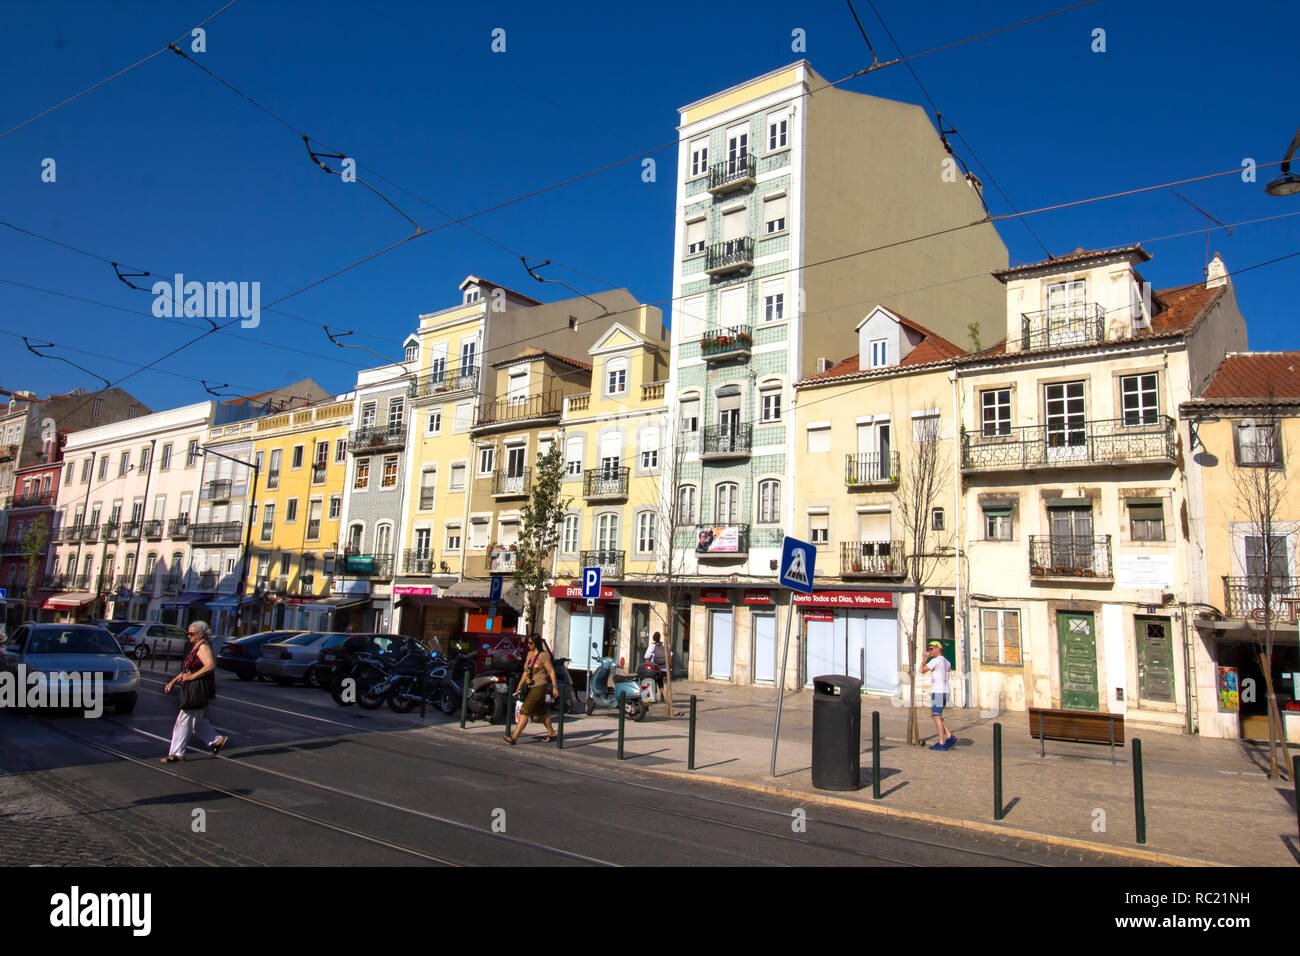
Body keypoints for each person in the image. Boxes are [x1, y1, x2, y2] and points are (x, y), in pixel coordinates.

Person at [161, 620, 228, 762]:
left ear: (200, 634)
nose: (188, 636)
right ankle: (216, 740)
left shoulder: (203, 647)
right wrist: (173, 682)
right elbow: (187, 670)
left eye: (191, 634)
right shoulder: (196, 647)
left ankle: (177, 753)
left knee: (183, 720)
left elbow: (210, 666)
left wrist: (192, 676)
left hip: (197, 689)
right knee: (195, 722)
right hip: (193, 688)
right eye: (187, 633)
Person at [504, 633, 558, 745]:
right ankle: (551, 732)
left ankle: (515, 737)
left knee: (525, 709)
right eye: (527, 643)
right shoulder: (529, 654)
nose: (528, 645)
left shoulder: (543, 655)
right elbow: (525, 672)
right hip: (529, 686)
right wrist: (519, 687)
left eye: (530, 643)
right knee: (541, 711)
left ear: (536, 643)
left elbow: (551, 671)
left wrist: (554, 686)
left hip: (539, 685)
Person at [922, 641, 956, 750]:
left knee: (936, 716)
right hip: (945, 691)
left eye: (931, 649)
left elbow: (921, 670)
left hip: (938, 692)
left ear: (938, 649)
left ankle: (941, 743)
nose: (930, 651)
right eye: (929, 650)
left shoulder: (936, 660)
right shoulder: (947, 662)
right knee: (935, 714)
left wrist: (925, 659)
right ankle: (949, 736)